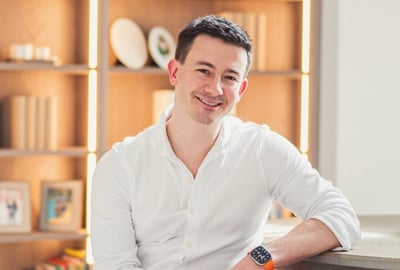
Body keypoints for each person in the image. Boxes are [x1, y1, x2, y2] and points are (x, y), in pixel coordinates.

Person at [91, 15, 361, 270]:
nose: (215, 88)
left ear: (241, 89)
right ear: (174, 72)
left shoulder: (261, 150)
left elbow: (340, 215)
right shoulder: (118, 166)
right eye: (204, 71)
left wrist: (262, 257)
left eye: (229, 77)